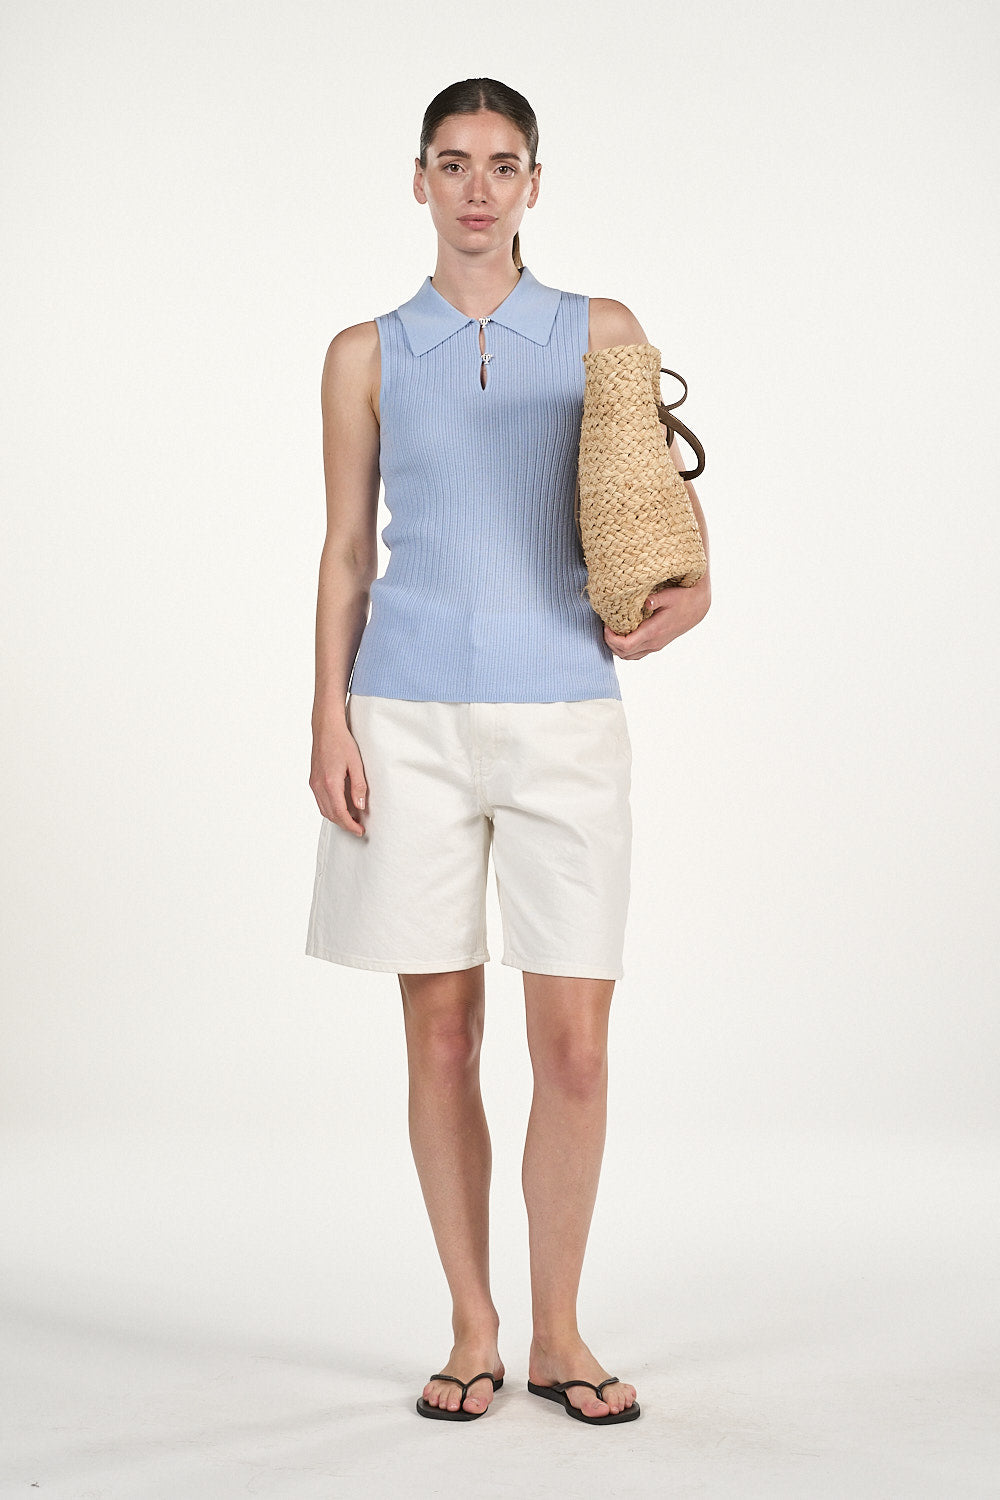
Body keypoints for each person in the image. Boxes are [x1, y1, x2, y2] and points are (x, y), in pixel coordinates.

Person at [305, 77, 711, 1426]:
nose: (477, 187)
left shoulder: (602, 330)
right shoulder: (365, 354)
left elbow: (653, 506)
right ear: (418, 179)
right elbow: (346, 549)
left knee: (574, 1048)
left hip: (566, 716)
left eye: (501, 163)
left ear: (535, 183)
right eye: (453, 161)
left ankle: (560, 1331)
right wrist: (326, 718)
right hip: (406, 718)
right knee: (440, 1037)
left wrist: (693, 586)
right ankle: (473, 1328)